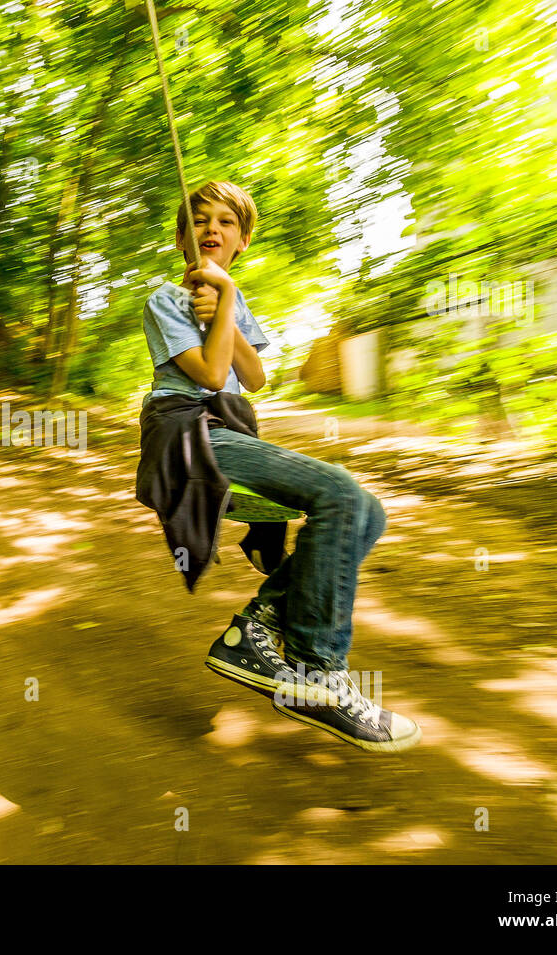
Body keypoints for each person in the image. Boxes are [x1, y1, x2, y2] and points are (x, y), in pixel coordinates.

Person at [134, 180, 421, 753]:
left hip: (230, 427)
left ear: (242, 239)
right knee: (342, 495)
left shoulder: (231, 300)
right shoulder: (166, 299)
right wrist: (216, 302)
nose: (211, 229)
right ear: (181, 236)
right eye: (199, 221)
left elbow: (254, 379)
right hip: (187, 434)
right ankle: (318, 672)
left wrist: (226, 308)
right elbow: (211, 379)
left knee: (368, 512)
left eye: (226, 222)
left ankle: (259, 626)